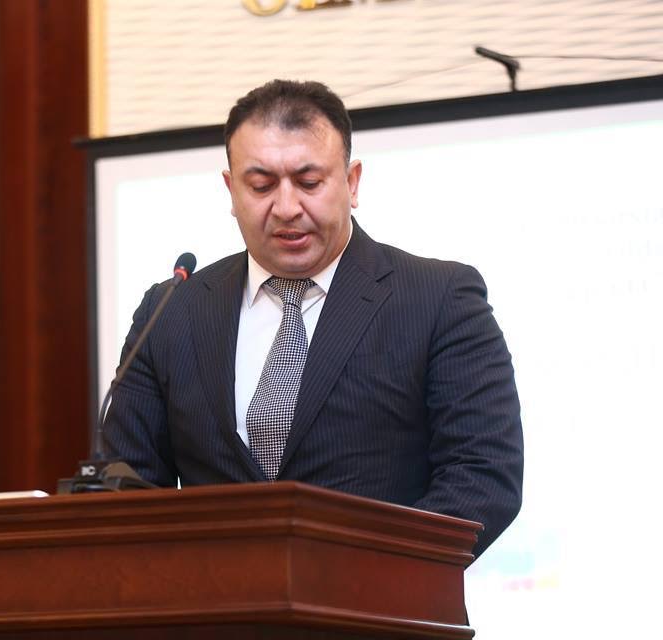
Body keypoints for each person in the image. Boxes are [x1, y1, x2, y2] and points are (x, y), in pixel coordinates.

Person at [103, 79, 522, 558]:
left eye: (309, 182)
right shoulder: (171, 310)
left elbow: (483, 476)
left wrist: (366, 581)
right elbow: (127, 482)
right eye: (261, 185)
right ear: (231, 189)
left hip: (377, 596)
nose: (286, 208)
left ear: (352, 182)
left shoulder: (439, 298)